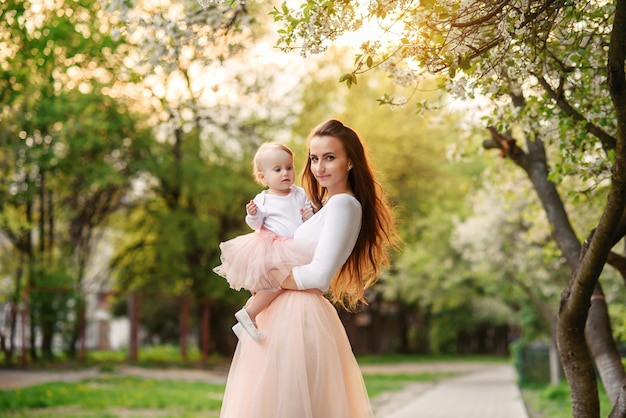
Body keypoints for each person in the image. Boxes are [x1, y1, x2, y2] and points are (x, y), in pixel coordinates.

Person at [219, 119, 400, 418]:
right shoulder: (328, 204)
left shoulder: (343, 205)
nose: (319, 167)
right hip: (287, 313)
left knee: (290, 406)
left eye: (330, 157)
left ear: (350, 161)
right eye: (314, 158)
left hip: (299, 317)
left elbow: (319, 275)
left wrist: (269, 275)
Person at [213, 142, 314, 343]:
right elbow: (256, 224)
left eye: (289, 167)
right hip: (271, 247)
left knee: (278, 287)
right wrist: (253, 215)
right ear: (262, 177)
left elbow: (307, 222)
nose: (285, 173)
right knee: (275, 283)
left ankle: (250, 319)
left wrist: (309, 215)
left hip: (293, 246)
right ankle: (248, 313)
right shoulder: (263, 199)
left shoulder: (300, 194)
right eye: (277, 170)